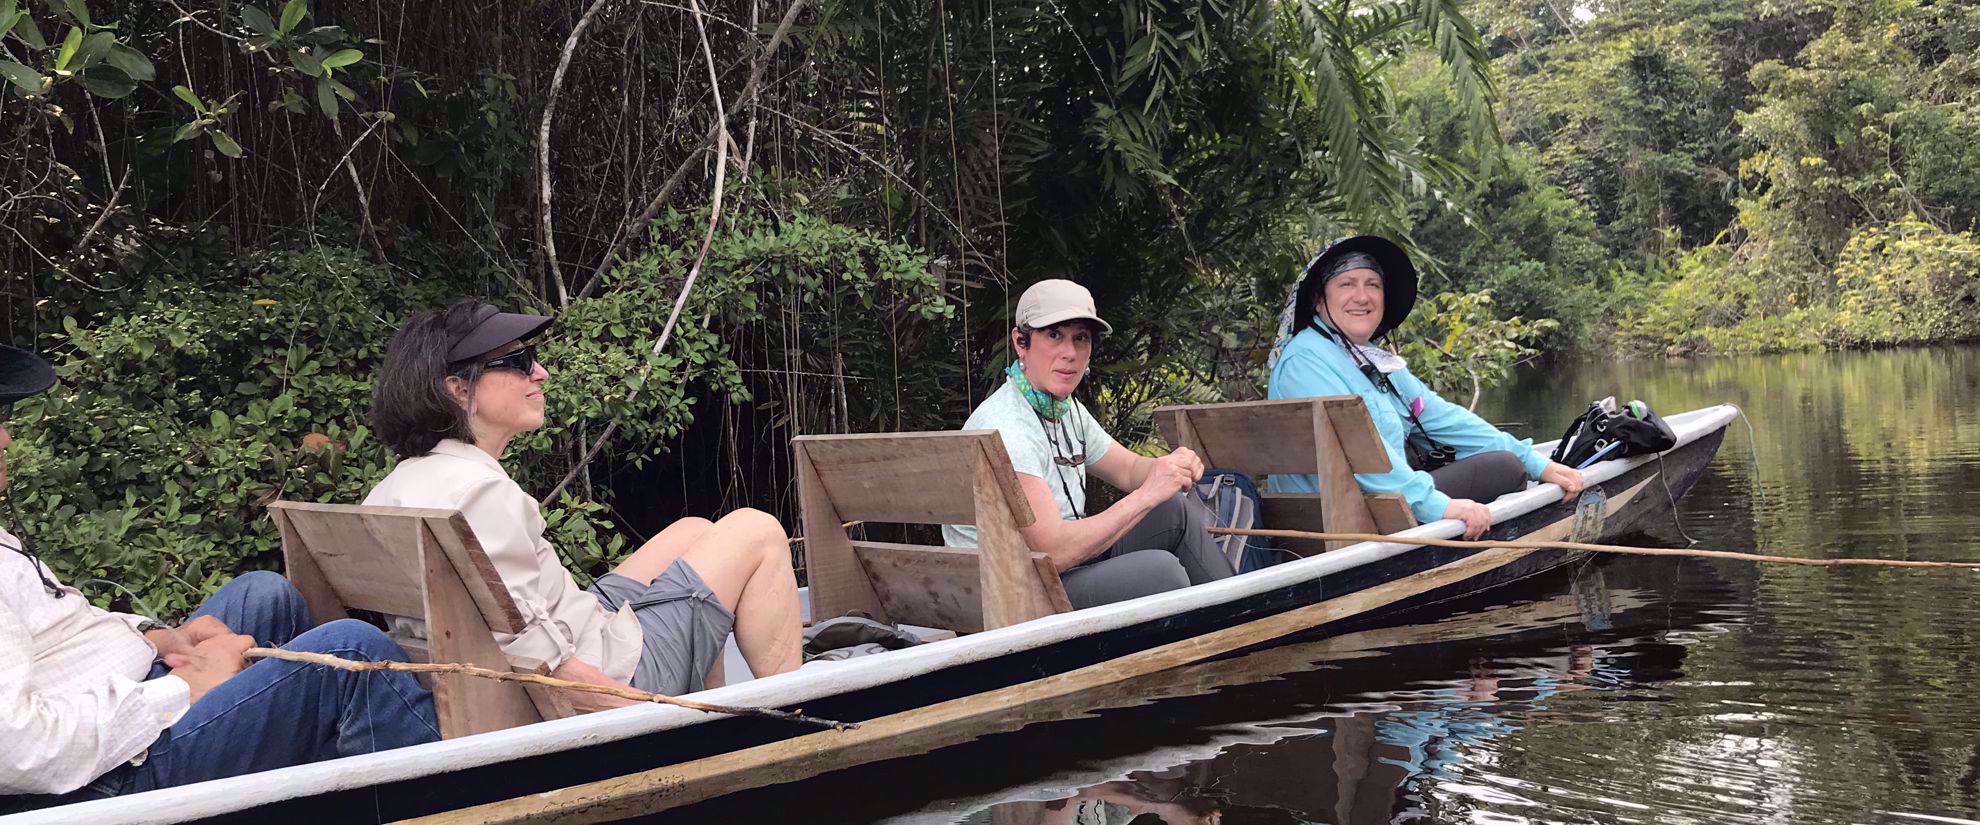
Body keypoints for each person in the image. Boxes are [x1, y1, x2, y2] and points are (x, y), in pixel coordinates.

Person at [0, 345, 438, 808]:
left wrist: (157, 637)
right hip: (103, 779)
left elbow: (58, 625)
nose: (7, 438)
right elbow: (19, 749)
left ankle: (305, 785)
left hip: (112, 698)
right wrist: (185, 689)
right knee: (352, 651)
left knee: (264, 596)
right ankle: (463, 801)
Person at [364, 300, 802, 704]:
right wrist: (650, 713)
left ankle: (714, 704)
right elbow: (538, 660)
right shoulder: (479, 493)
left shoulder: (391, 490)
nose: (541, 373)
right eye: (518, 362)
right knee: (756, 530)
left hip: (573, 630)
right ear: (458, 390)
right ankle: (788, 716)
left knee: (694, 531)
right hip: (608, 677)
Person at [1266, 236, 1586, 540]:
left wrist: (1535, 461)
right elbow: (1359, 459)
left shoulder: (1366, 358)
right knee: (1504, 470)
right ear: (1319, 299)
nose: (1362, 297)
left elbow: (1444, 419)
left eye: (1373, 285)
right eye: (1346, 284)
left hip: (1380, 507)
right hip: (1343, 523)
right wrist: (1438, 506)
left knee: (1509, 461)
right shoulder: (1306, 360)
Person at [942, 280, 1235, 609]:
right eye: (1054, 335)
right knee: (1160, 573)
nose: (1070, 353)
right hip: (1013, 600)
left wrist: (1168, 468)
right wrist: (1146, 495)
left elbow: (1127, 469)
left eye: (1080, 338)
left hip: (1051, 576)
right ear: (1021, 343)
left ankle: (1246, 618)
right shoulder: (1008, 428)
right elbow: (1054, 551)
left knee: (1172, 511)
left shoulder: (1063, 409)